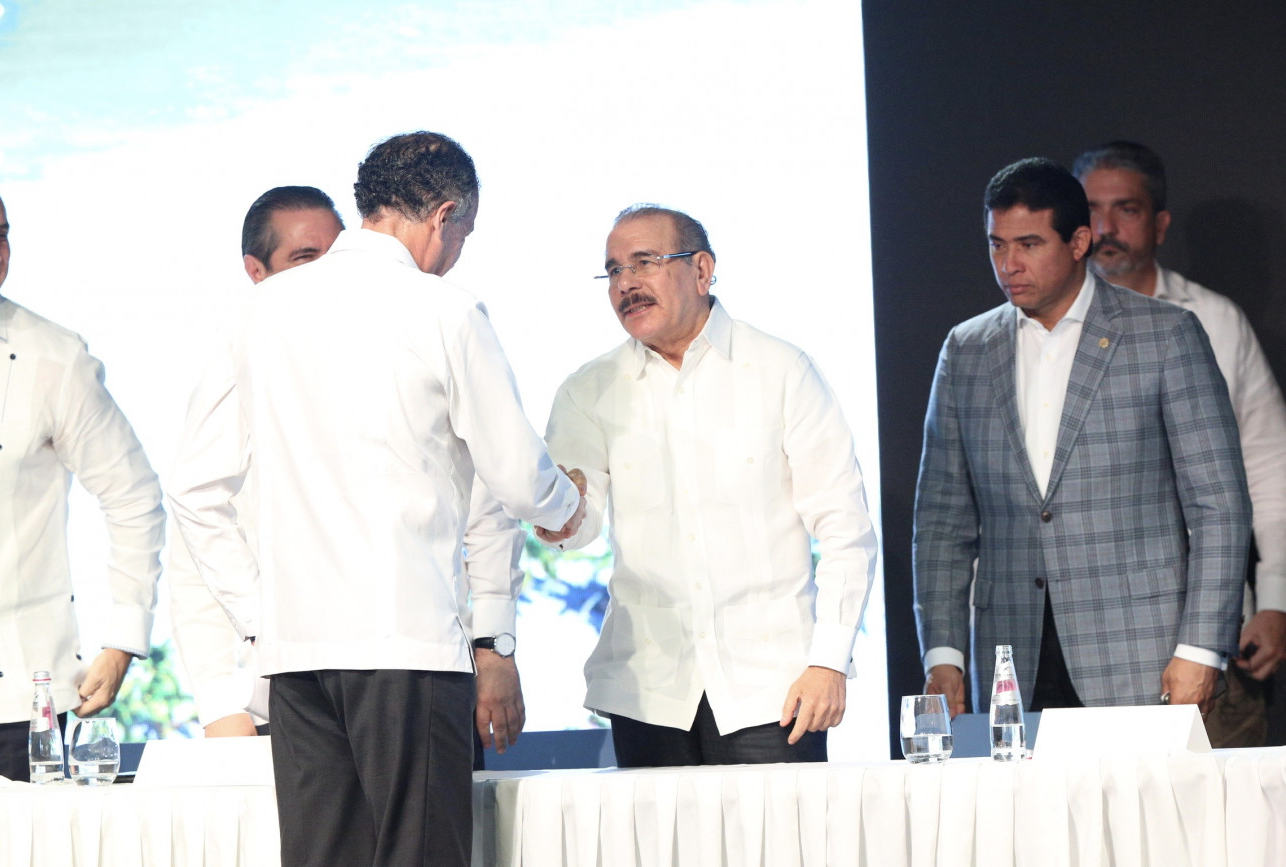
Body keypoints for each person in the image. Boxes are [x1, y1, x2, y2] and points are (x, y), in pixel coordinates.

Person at [168, 132, 584, 867]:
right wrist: (566, 509)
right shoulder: (446, 310)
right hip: (407, 648)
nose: (458, 252)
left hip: (294, 658)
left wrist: (259, 617)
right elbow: (517, 478)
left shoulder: (262, 310)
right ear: (445, 215)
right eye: (465, 233)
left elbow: (193, 487)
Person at [913, 157, 1251, 718]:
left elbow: (1219, 506)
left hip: (1143, 653)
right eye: (997, 245)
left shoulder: (1164, 335)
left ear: (1079, 242)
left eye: (1028, 244)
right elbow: (942, 522)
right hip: (1012, 658)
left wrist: (1200, 648)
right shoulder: (966, 350)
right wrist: (943, 654)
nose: (1009, 265)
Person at [543, 205, 878, 767]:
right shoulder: (588, 390)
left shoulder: (781, 370)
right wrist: (557, 512)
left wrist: (829, 660)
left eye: (644, 262)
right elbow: (578, 524)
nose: (626, 284)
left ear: (702, 270)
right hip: (646, 689)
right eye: (614, 270)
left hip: (774, 689)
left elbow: (846, 529)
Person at [1073, 141, 1286, 745]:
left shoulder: (1215, 321)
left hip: (1210, 629)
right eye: (1090, 210)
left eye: (1126, 209)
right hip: (1078, 632)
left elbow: (1268, 467)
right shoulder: (1036, 333)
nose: (1105, 228)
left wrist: (1275, 597)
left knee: (1215, 802)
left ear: (1160, 224)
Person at [0, 173, 165, 780]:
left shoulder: (53, 358)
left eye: (2, 234)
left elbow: (134, 496)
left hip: (18, 710)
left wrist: (123, 641)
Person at [168, 186, 345, 738]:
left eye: (337, 255)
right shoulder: (236, 364)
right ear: (256, 271)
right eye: (304, 258)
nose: (326, 274)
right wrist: (222, 700)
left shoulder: (393, 349)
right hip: (277, 697)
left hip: (394, 676)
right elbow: (194, 532)